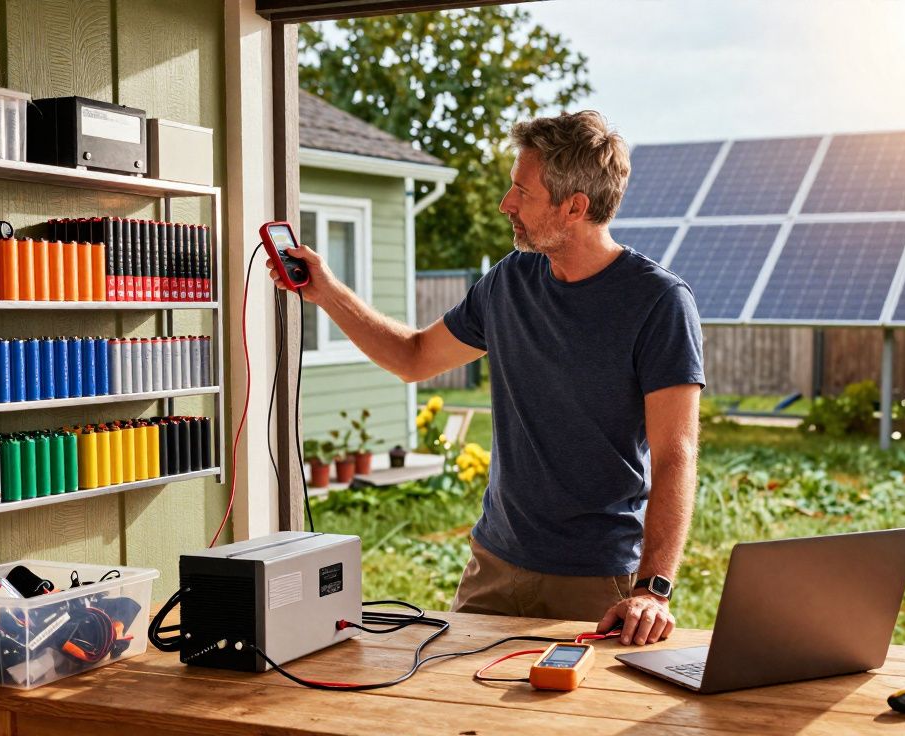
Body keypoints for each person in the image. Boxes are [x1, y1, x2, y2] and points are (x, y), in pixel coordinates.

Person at [266, 111, 704, 646]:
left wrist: (653, 589)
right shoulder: (509, 282)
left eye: (522, 190)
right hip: (493, 566)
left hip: (596, 581)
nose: (506, 204)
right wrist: (326, 291)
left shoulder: (658, 302)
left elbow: (675, 454)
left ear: (575, 207)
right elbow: (414, 356)